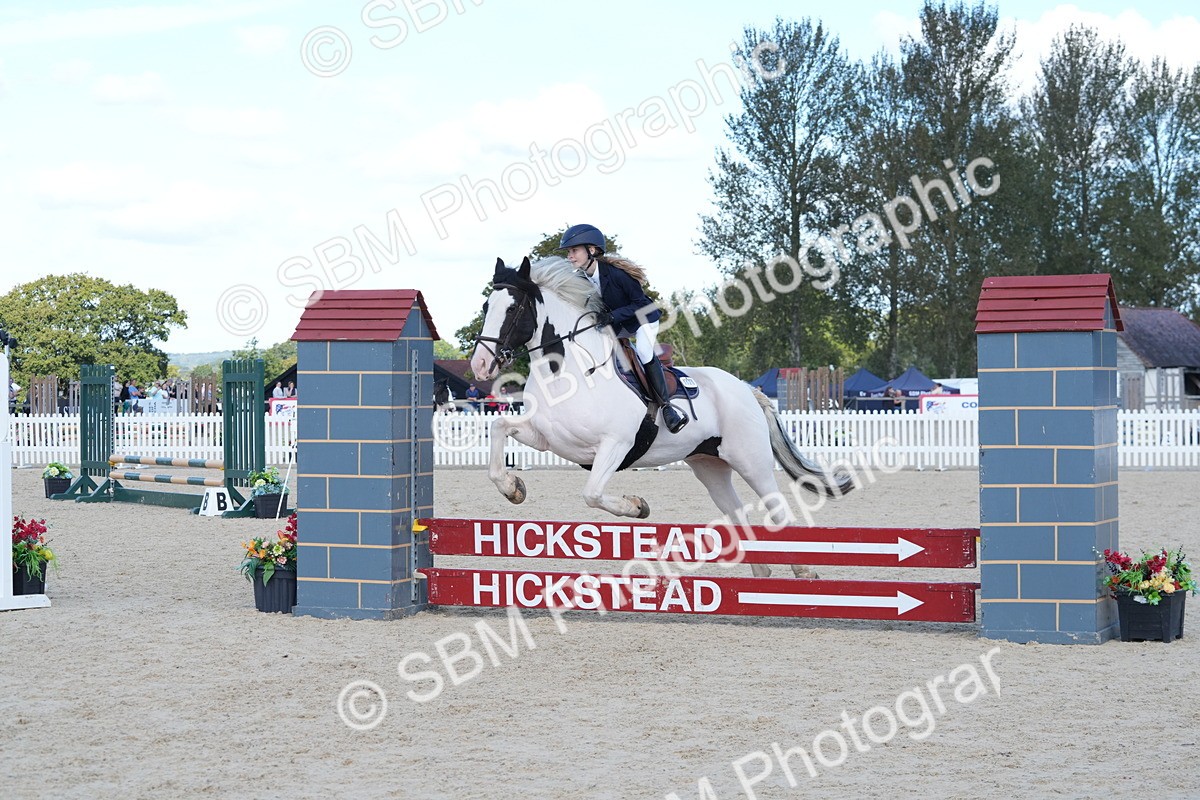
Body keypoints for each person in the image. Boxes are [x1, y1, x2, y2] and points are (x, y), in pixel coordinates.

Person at [559, 223, 687, 433]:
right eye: (569, 252)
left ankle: (666, 407)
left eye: (574, 251)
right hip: (617, 324)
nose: (570, 256)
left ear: (591, 250)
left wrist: (610, 316)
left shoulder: (617, 274)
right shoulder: (581, 278)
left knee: (644, 352)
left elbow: (639, 304)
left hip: (643, 319)